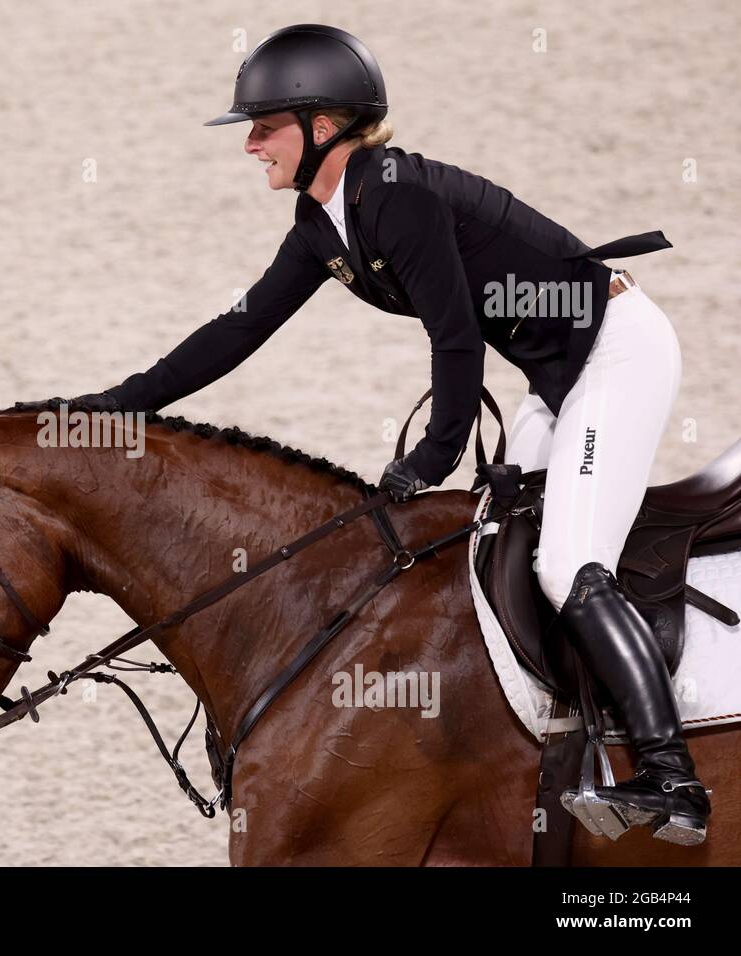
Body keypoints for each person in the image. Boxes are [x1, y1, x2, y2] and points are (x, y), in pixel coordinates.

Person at [74, 24, 709, 844]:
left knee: (567, 561)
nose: (250, 148)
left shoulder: (397, 195)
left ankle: (671, 779)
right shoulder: (323, 223)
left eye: (264, 129)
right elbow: (237, 328)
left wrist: (433, 456)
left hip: (615, 353)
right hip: (558, 377)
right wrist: (118, 404)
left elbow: (456, 337)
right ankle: (560, 740)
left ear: (323, 126)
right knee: (493, 548)